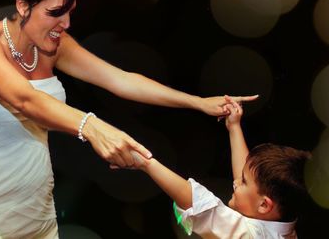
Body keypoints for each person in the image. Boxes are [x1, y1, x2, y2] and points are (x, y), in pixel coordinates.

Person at [0, 0, 258, 238]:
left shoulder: (54, 45)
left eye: (70, 12)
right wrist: (91, 126)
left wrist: (196, 102)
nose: (66, 24)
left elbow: (120, 80)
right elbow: (25, 100)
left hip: (35, 201)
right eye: (55, 12)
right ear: (23, 5)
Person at [128, 96, 312, 238]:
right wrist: (234, 127)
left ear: (264, 204)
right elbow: (250, 177)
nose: (236, 183)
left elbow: (200, 206)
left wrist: (145, 162)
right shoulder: (282, 223)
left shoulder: (252, 236)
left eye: (244, 183)